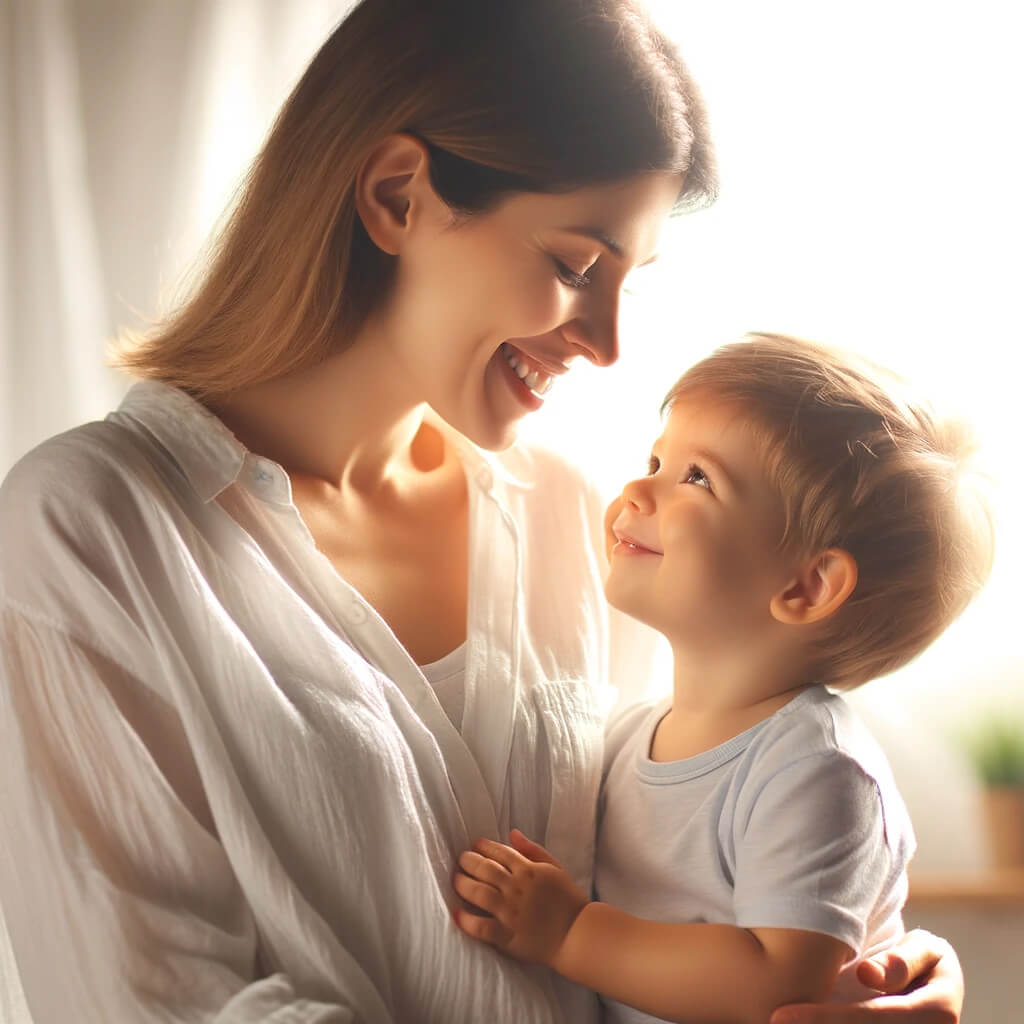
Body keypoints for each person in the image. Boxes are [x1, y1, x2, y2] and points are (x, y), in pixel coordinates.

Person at [0, 0, 964, 1019]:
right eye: (573, 267)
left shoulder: (577, 517)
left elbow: (702, 879)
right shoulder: (91, 528)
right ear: (396, 195)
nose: (605, 345)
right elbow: (153, 996)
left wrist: (881, 963)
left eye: (627, 282)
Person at [453, 333, 994, 1023]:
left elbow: (775, 982)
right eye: (655, 460)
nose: (636, 489)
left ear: (807, 585)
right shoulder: (630, 735)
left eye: (697, 478)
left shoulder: (818, 768)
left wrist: (568, 932)